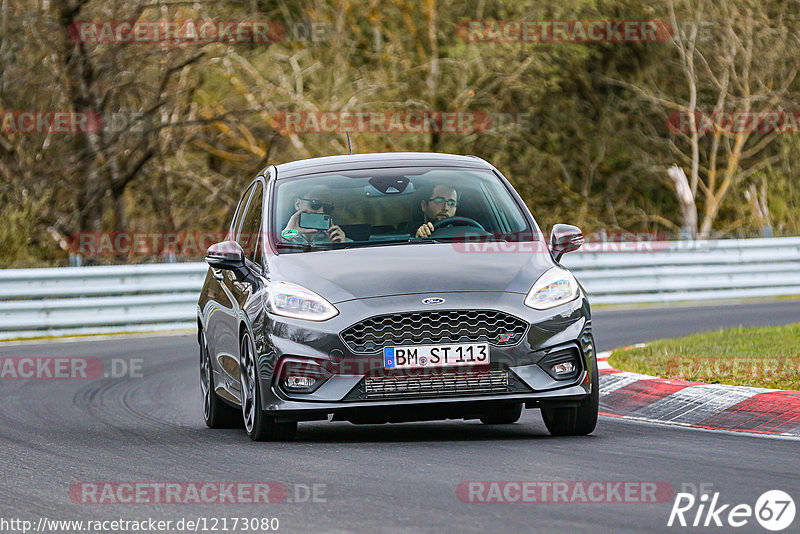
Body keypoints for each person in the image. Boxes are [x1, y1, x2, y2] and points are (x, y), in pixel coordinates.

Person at [282, 185, 347, 243]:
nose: (321, 211)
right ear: (297, 203)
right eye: (315, 204)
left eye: (327, 208)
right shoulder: (278, 240)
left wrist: (340, 246)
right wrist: (287, 235)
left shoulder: (341, 240)